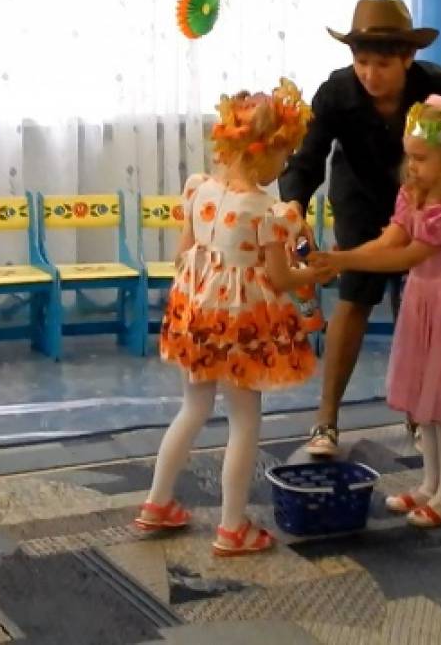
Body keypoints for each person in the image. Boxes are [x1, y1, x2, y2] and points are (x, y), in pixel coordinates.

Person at [137, 80, 333, 556]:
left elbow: (183, 254)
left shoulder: (198, 190)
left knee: (193, 408)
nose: (286, 164)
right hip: (241, 324)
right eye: (285, 155)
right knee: (245, 421)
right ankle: (231, 527)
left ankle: (157, 503)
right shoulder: (269, 212)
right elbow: (281, 278)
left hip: (196, 316)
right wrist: (316, 273)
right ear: (266, 153)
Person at [277, 0, 441, 457]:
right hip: (359, 197)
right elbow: (307, 158)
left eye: (382, 64)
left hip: (426, 199)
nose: (369, 74)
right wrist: (294, 207)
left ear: (408, 57)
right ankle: (326, 420)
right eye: (362, 62)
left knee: (418, 301)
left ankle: (421, 414)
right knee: (355, 295)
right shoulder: (336, 91)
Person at [310, 96, 441, 527]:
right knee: (426, 404)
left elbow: (405, 256)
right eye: (410, 156)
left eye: (422, 158)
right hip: (424, 299)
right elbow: (389, 241)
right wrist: (342, 256)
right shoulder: (413, 195)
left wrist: (343, 260)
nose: (412, 166)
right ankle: (430, 484)